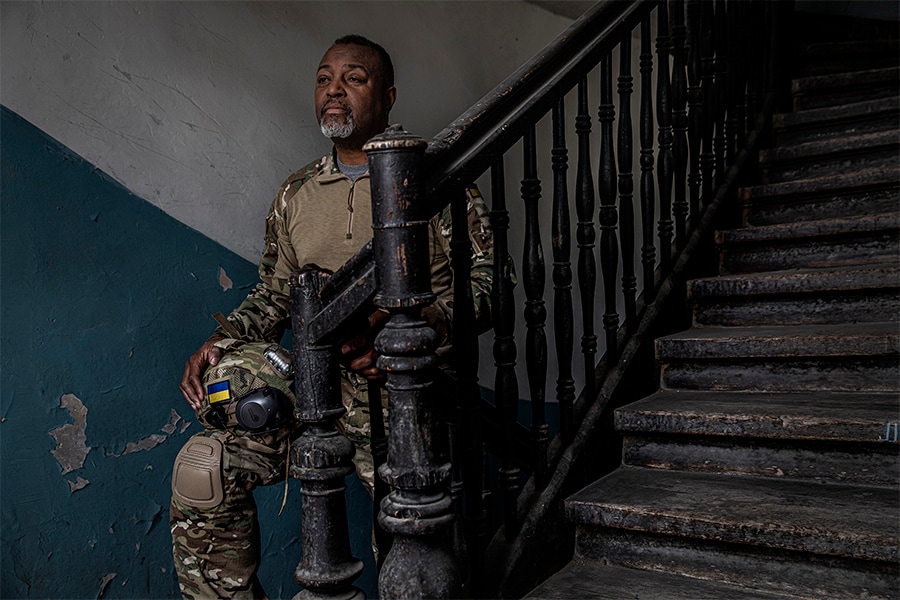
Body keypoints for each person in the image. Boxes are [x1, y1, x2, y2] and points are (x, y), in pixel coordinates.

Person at [170, 34, 496, 599]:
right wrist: (222, 340)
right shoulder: (295, 193)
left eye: (354, 78)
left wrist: (415, 336)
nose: (334, 91)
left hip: (407, 392)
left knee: (414, 556)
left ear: (388, 96)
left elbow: (492, 286)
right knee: (204, 470)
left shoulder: (436, 188)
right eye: (323, 79)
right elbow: (274, 296)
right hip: (317, 386)